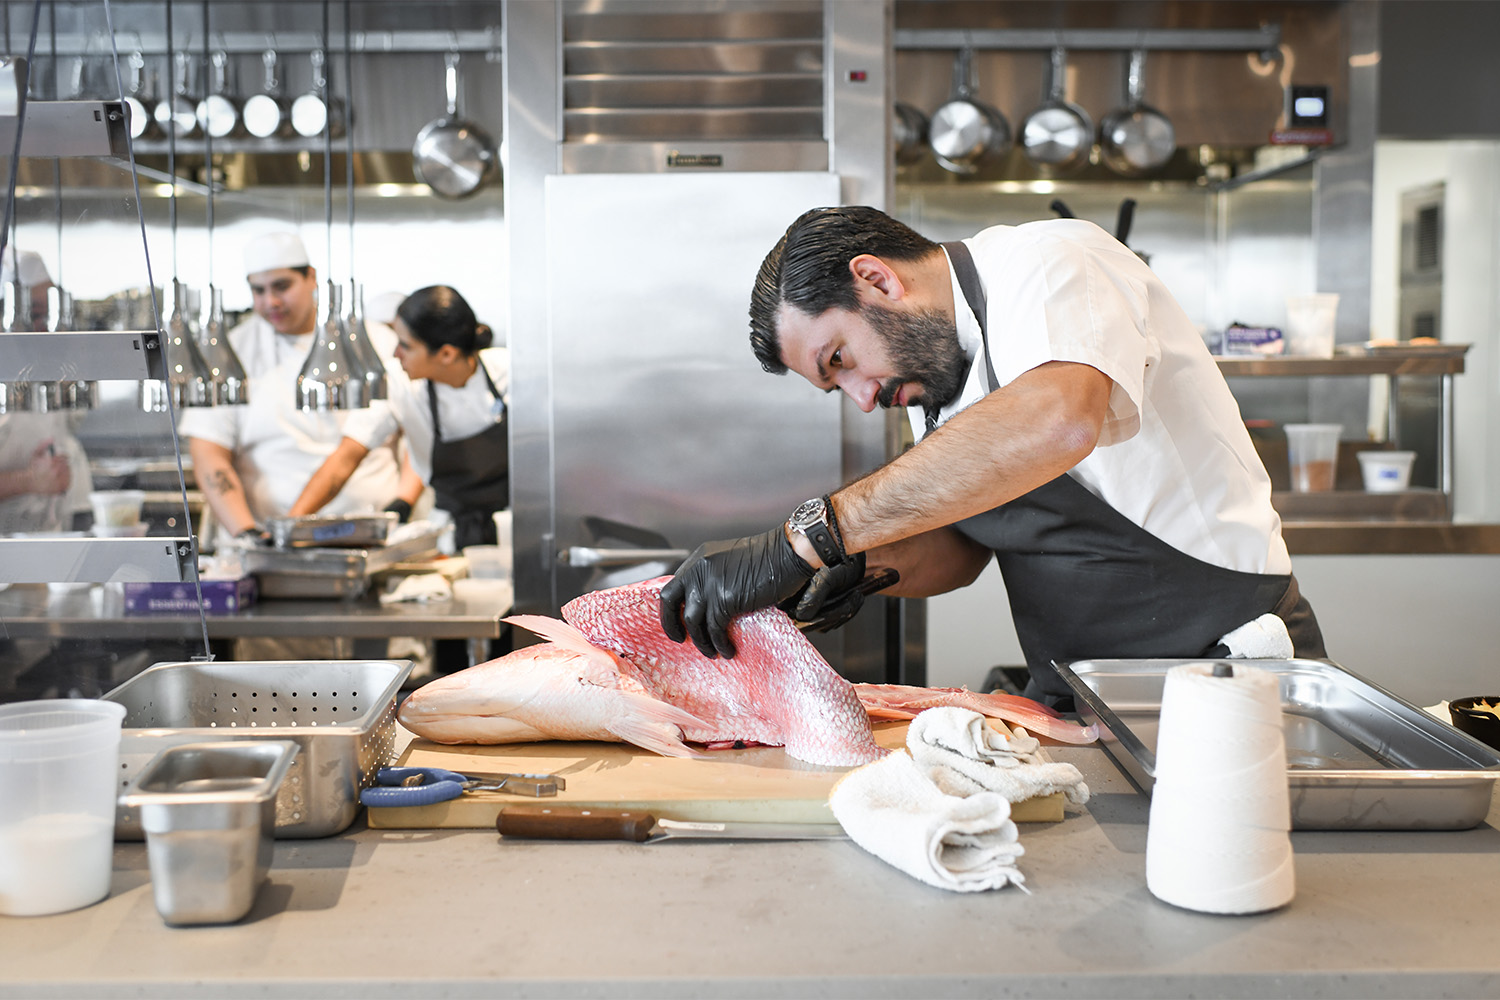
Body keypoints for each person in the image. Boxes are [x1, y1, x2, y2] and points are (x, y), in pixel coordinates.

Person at [657, 205, 1326, 707]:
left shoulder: (1051, 262)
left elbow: (1058, 421)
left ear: (877, 280)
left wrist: (805, 538)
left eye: (841, 359)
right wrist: (850, 562)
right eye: (837, 386)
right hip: (1082, 695)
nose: (862, 399)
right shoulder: (938, 386)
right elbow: (961, 551)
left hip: (1222, 674)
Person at [178, 232, 419, 550]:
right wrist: (248, 534)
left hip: (375, 538)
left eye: (282, 286)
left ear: (312, 278)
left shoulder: (376, 344)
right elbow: (209, 455)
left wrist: (402, 503)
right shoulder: (230, 354)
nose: (271, 302)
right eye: (258, 290)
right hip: (269, 541)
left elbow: (417, 432)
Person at [288, 285, 509, 551]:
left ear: (447, 354)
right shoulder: (399, 384)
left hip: (516, 530)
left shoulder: (510, 373)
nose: (395, 354)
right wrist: (290, 526)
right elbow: (345, 457)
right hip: (450, 538)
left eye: (406, 345)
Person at [0, 249, 92, 533]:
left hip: (55, 533)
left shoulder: (48, 367)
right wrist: (28, 480)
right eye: (37, 314)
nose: (46, 328)